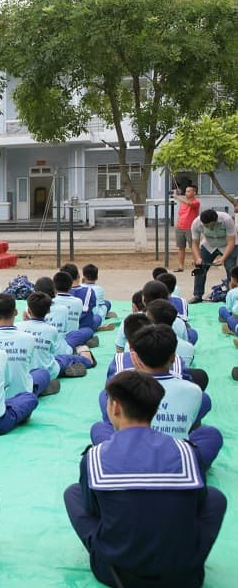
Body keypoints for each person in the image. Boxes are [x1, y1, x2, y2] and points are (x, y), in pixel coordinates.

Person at [64, 371, 227, 587]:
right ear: (156, 408)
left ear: (114, 407)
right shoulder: (187, 452)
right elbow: (196, 504)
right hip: (183, 575)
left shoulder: (94, 457)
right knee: (215, 497)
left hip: (116, 572)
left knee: (74, 493)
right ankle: (188, 558)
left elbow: (94, 508)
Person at [92, 324, 221, 468]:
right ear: (173, 358)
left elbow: (112, 421)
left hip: (128, 456)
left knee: (99, 428)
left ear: (134, 357)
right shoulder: (194, 391)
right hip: (173, 459)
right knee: (211, 434)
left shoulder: (117, 391)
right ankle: (192, 465)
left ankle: (116, 457)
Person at [0, 293, 57, 397]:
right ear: (16, 312)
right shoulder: (29, 339)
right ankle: (37, 389)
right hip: (22, 396)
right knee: (42, 373)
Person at [190, 208, 236, 303]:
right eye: (206, 226)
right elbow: (194, 243)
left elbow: (231, 241)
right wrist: (198, 258)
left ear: (216, 221)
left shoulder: (226, 220)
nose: (209, 228)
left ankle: (231, 295)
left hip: (227, 245)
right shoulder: (196, 223)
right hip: (209, 245)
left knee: (231, 269)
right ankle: (197, 295)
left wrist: (223, 258)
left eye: (211, 226)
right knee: (200, 268)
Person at [174, 183, 201, 272]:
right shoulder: (183, 201)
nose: (186, 193)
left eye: (189, 191)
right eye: (186, 191)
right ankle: (180, 266)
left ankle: (197, 265)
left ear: (194, 192)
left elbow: (190, 204)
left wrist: (177, 196)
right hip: (180, 227)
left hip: (191, 228)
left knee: (194, 247)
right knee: (181, 247)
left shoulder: (196, 202)